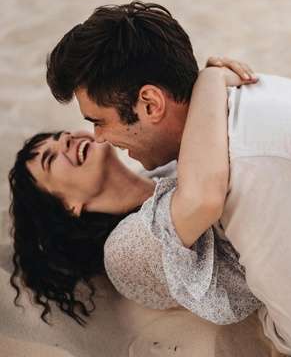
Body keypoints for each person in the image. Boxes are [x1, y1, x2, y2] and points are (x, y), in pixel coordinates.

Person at [46, 1, 291, 355]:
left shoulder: (243, 167)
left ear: (151, 104)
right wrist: (210, 80)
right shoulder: (233, 103)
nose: (97, 137)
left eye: (99, 121)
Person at [9, 64, 265, 329]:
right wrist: (211, 78)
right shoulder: (122, 252)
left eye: (60, 136)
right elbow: (202, 200)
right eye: (51, 159)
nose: (66, 139)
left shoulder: (160, 167)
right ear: (69, 206)